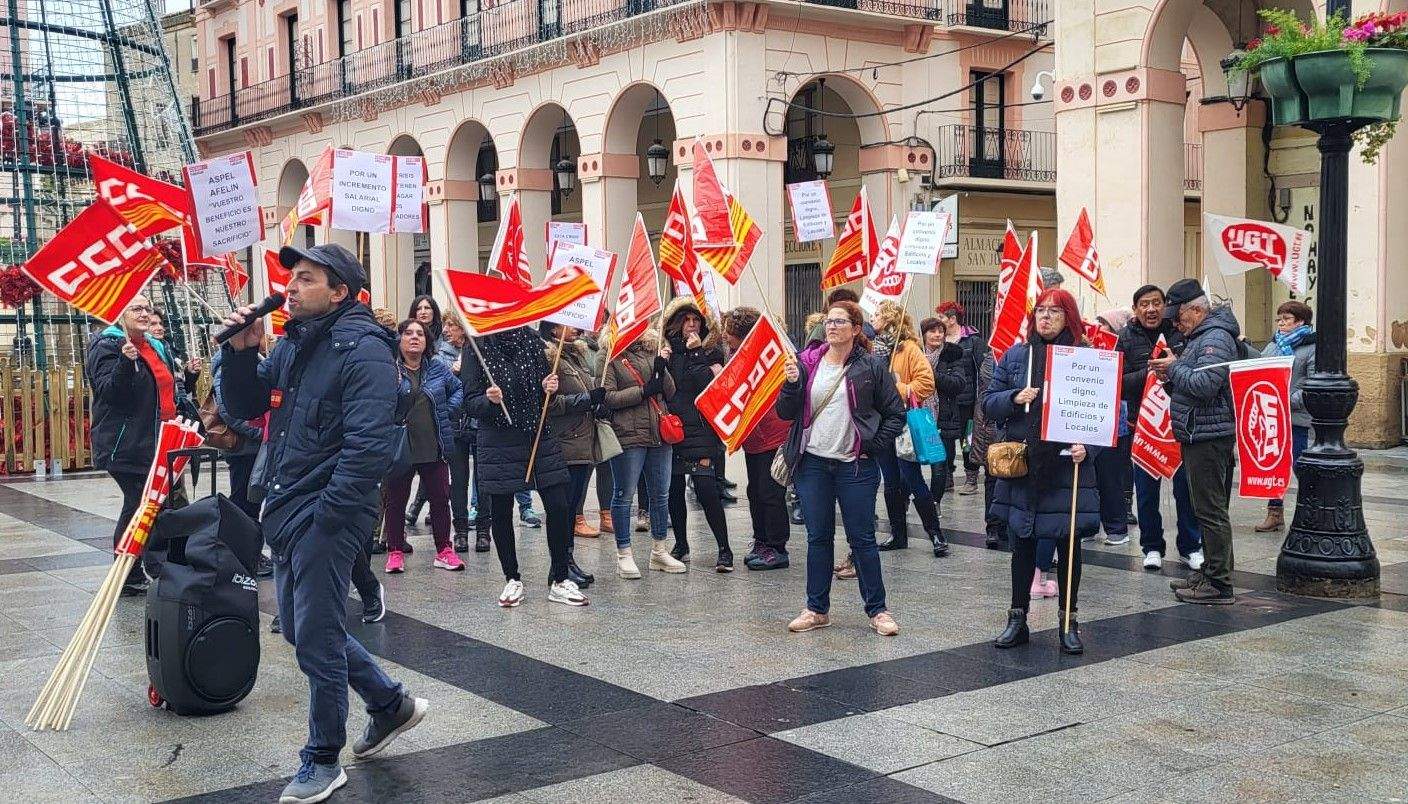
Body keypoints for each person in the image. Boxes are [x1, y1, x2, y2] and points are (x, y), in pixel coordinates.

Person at [218, 244, 426, 804]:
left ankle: (321, 757)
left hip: (325, 515)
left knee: (312, 637)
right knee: (301, 624)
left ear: (339, 292)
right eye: (291, 277)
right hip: (288, 506)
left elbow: (368, 448)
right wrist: (239, 354)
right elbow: (246, 406)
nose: (291, 286)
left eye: (305, 278)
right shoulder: (294, 343)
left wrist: (327, 519)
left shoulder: (365, 352)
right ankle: (389, 704)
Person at [987, 288, 1101, 656]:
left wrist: (1091, 446)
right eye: (1041, 311)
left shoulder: (1086, 358)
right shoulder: (1017, 355)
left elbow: (1107, 414)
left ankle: (1069, 622)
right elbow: (988, 402)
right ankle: (1017, 618)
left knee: (1069, 545)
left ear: (1069, 317)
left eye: (1054, 311)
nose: (1046, 318)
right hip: (1024, 462)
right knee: (1021, 541)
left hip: (1068, 464)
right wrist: (1013, 398)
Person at [780, 300, 904, 637]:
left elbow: (896, 414)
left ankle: (878, 610)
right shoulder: (806, 363)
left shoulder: (871, 366)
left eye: (840, 321)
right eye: (829, 321)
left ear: (855, 328)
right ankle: (816, 608)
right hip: (814, 465)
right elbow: (785, 412)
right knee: (818, 537)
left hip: (856, 466)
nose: (832, 326)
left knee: (862, 539)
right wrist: (791, 384)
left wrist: (872, 446)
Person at [461, 325, 588, 607]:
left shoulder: (531, 340)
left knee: (558, 504)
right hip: (498, 438)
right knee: (502, 508)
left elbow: (545, 391)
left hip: (537, 433)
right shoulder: (476, 344)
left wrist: (549, 390)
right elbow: (469, 402)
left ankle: (559, 577)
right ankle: (512, 578)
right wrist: (488, 400)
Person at [86, 294, 186, 595]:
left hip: (160, 438)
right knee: (139, 504)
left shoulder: (155, 347)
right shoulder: (108, 346)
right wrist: (124, 363)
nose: (144, 313)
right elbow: (110, 394)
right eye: (136, 309)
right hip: (127, 444)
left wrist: (188, 377)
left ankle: (151, 565)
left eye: (147, 309)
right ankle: (125, 572)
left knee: (152, 504)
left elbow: (166, 390)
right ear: (120, 314)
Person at [1149, 279, 1240, 605]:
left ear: (1198, 309)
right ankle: (1214, 572)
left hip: (1209, 436)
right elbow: (1191, 387)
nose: (1175, 322)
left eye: (1179, 315)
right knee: (1206, 509)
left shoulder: (1215, 338)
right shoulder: (1201, 336)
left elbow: (1205, 385)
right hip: (1198, 432)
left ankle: (1219, 583)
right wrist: (1170, 377)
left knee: (1211, 510)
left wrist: (1174, 369)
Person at [1117, 284, 1204, 571]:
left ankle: (1190, 546)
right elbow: (1119, 382)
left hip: (1180, 424)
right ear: (1135, 309)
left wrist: (1174, 368)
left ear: (1165, 306)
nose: (1151, 309)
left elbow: (1193, 372)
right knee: (1145, 492)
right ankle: (1151, 546)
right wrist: (1154, 372)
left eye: (1156, 303)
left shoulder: (1182, 332)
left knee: (1186, 491)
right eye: (1144, 304)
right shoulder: (1126, 337)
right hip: (1143, 427)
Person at [382, 319, 465, 574]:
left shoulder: (437, 368)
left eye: (420, 333)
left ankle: (444, 550)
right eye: (408, 333)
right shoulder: (389, 370)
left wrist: (447, 410)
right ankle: (395, 551)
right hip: (400, 446)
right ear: (400, 339)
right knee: (396, 501)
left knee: (440, 499)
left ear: (427, 341)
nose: (414, 337)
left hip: (433, 445)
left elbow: (458, 389)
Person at [602, 325, 685, 578]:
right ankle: (624, 554)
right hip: (628, 435)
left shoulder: (652, 352)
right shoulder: (612, 358)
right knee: (624, 495)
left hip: (658, 434)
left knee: (660, 493)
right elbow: (608, 398)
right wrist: (642, 391)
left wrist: (662, 370)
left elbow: (669, 392)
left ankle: (659, 550)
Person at [662, 297, 733, 570]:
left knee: (706, 489)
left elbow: (708, 384)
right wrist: (662, 361)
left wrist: (695, 353)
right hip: (673, 428)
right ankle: (681, 544)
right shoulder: (667, 351)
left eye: (696, 320)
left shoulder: (711, 351)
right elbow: (662, 387)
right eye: (686, 320)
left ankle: (724, 548)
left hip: (701, 429)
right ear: (676, 324)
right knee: (674, 490)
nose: (691, 325)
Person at [869, 301, 945, 556]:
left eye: (878, 314)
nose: (873, 318)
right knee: (890, 482)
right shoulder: (874, 349)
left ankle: (935, 534)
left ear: (890, 319)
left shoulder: (910, 349)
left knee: (912, 478)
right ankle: (898, 534)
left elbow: (926, 384)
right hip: (881, 425)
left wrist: (894, 386)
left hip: (902, 424)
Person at [721, 307, 792, 571]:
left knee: (771, 491)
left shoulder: (770, 357)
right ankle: (761, 540)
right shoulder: (738, 356)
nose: (726, 337)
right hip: (753, 435)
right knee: (755, 491)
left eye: (730, 333)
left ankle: (777, 547)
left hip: (773, 434)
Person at [540, 321, 607, 588]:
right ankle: (558, 566)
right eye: (568, 324)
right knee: (563, 509)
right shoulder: (549, 358)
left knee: (572, 507)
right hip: (565, 443)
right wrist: (587, 400)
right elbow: (550, 404)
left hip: (583, 443)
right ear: (554, 330)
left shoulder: (575, 356)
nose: (576, 328)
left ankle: (568, 560)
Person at [406, 312, 473, 548]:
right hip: (436, 431)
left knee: (447, 486)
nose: (446, 330)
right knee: (403, 490)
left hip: (465, 425)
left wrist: (449, 406)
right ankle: (396, 539)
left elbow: (460, 391)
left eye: (451, 325)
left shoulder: (476, 352)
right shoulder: (440, 358)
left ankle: (450, 542)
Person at [1255, 300, 1316, 533]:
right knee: (1273, 466)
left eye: (1287, 319)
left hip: (1297, 417)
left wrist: (1287, 400)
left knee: (1300, 465)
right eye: (1279, 319)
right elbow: (1259, 368)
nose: (1281, 323)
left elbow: (1312, 384)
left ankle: (1309, 512)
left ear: (1301, 321)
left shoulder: (1311, 346)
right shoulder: (1274, 345)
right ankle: (1274, 512)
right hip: (1272, 415)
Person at [919, 316, 969, 531]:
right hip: (917, 417)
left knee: (940, 466)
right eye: (932, 331)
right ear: (923, 334)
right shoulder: (914, 354)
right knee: (908, 464)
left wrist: (932, 374)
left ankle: (934, 501)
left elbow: (958, 384)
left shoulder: (952, 355)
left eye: (940, 331)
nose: (937, 335)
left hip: (942, 417)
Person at [1092, 308, 1134, 547]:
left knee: (1110, 478)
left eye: (1104, 324)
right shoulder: (1090, 347)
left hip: (1114, 425)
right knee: (1091, 477)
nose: (1100, 328)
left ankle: (1116, 527)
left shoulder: (1123, 351)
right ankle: (1090, 523)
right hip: (1090, 423)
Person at [933, 301, 983, 495]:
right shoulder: (939, 340)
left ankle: (971, 477)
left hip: (967, 401)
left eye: (941, 318)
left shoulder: (973, 340)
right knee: (944, 439)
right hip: (944, 400)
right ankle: (947, 477)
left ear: (952, 319)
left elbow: (982, 370)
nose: (939, 323)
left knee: (967, 439)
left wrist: (980, 399)